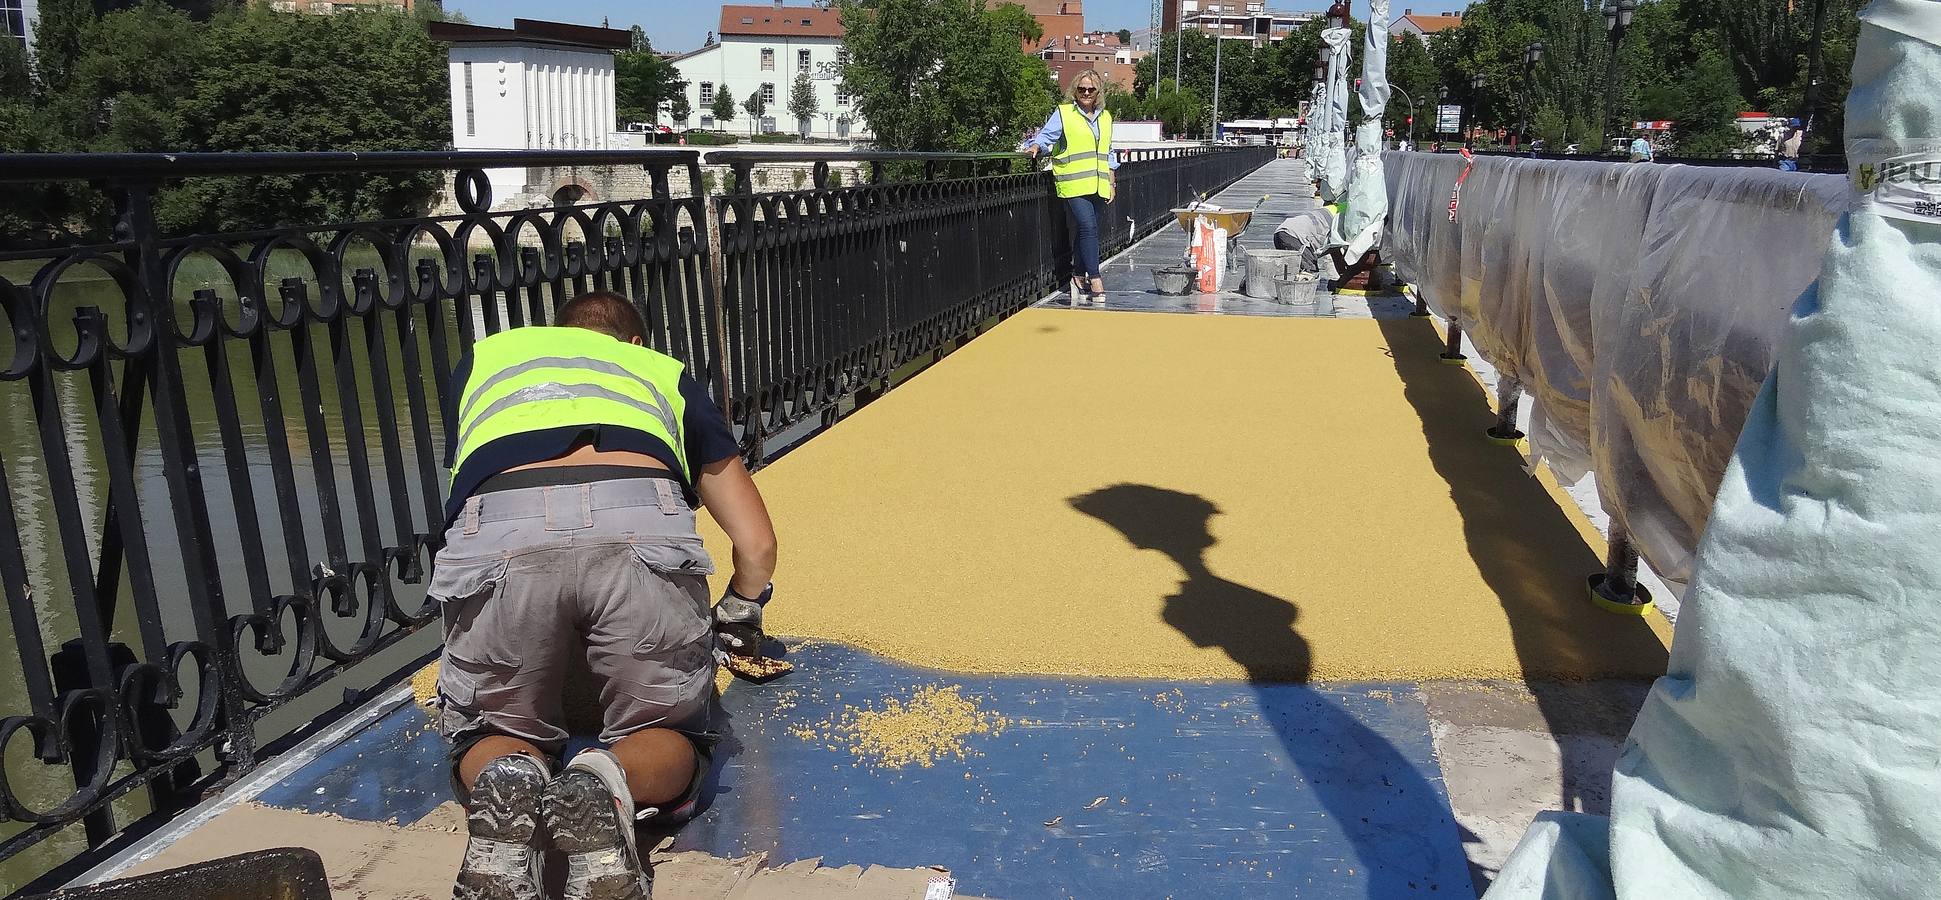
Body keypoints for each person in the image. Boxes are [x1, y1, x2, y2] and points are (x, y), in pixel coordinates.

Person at [435, 290, 779, 900]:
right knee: (675, 731)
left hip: (503, 528)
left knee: (489, 726)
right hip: (638, 522)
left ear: (559, 334)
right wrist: (738, 610)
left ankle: (509, 774)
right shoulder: (663, 374)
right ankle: (607, 778)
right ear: (635, 343)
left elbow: (473, 473)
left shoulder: (488, 361)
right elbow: (757, 545)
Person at [1026, 70, 1118, 307]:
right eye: (1081, 89)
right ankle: (1095, 278)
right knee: (1088, 226)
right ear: (1075, 91)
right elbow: (1046, 136)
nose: (1086, 93)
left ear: (1098, 92)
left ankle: (1077, 276)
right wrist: (1036, 146)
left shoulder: (1105, 117)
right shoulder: (1064, 113)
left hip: (1098, 184)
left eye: (1091, 89)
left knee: (1086, 230)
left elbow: (1108, 151)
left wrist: (1111, 181)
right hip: (1073, 183)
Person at [1273, 195, 1343, 278]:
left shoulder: (1339, 208)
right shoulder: (1346, 220)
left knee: (1291, 272)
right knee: (1308, 274)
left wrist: (1342, 275)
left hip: (1284, 231)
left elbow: (1336, 253)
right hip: (1296, 237)